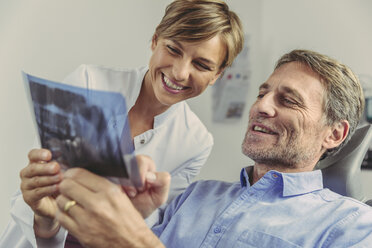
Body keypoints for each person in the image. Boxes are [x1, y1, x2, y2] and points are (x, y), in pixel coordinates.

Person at [51, 49, 371, 247]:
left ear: (334, 134)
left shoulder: (353, 227)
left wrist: (134, 241)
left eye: (287, 100)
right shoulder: (196, 196)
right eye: (262, 94)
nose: (261, 107)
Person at [0, 0, 244, 247]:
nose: (180, 72)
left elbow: (148, 226)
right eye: (173, 49)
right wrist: (45, 218)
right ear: (155, 40)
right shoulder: (89, 83)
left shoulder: (196, 143)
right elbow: (37, 194)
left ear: (217, 75)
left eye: (201, 65)